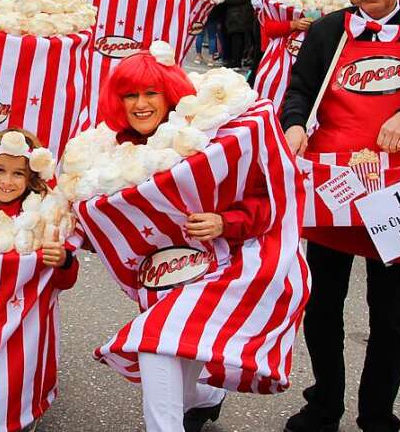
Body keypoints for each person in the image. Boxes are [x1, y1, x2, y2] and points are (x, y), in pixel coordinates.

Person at [281, 0, 400, 432]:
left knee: (393, 318)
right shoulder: (326, 31)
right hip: (335, 187)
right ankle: (324, 404)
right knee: (322, 306)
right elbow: (300, 92)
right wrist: (293, 126)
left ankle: (377, 416)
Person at [95, 47, 273, 432]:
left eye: (150, 93)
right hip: (161, 277)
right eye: (130, 95)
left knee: (155, 344)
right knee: (180, 361)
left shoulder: (209, 138)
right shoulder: (110, 152)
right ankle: (208, 398)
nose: (140, 105)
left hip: (222, 270)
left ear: (169, 93)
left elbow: (269, 199)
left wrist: (226, 221)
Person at [0, 129, 77, 284]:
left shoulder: (46, 215)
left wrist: (63, 260)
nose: (7, 181)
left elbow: (65, 282)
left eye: (18, 173)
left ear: (31, 177)